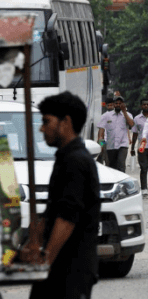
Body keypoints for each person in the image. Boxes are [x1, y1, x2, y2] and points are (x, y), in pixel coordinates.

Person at [24, 92, 100, 299]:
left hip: (70, 269)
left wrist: (46, 261)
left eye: (47, 121)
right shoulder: (65, 158)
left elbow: (67, 218)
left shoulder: (75, 162)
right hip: (59, 268)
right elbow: (51, 212)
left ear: (65, 122)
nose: (41, 128)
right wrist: (33, 243)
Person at [96, 95, 134, 172]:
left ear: (123, 104)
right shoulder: (106, 116)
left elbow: (132, 125)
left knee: (121, 165)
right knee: (111, 168)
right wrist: (102, 145)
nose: (118, 105)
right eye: (116, 103)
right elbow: (101, 133)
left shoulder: (128, 115)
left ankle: (122, 183)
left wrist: (124, 112)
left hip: (122, 145)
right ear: (113, 104)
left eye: (120, 103)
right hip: (110, 146)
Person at [131, 98, 148, 195]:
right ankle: (143, 188)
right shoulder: (137, 118)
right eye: (144, 104)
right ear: (141, 106)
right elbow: (134, 133)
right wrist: (132, 147)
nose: (146, 106)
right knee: (144, 168)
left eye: (147, 104)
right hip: (142, 147)